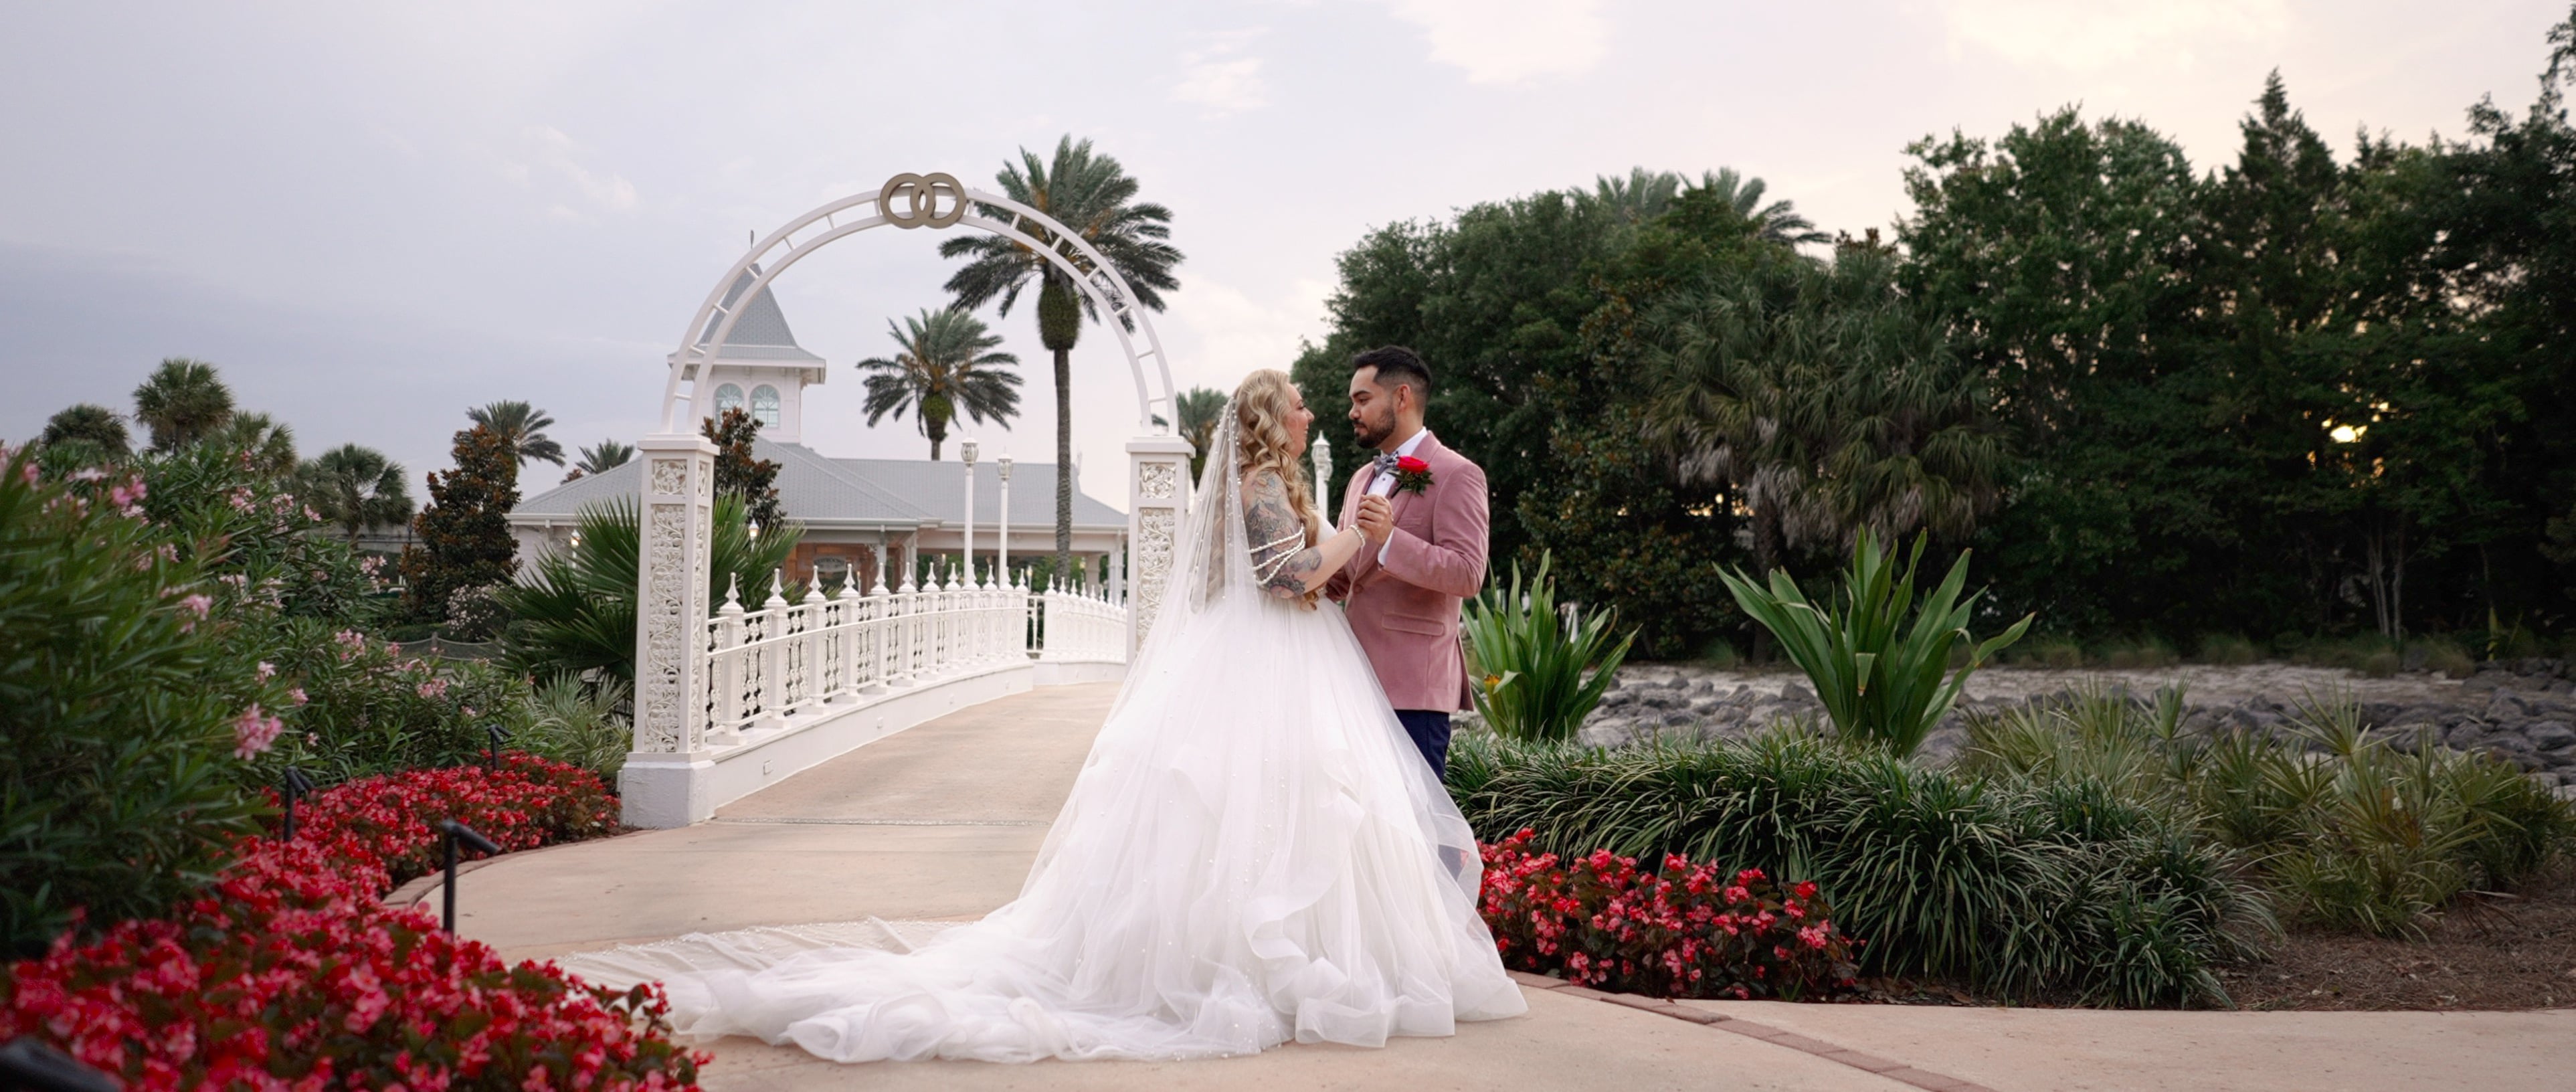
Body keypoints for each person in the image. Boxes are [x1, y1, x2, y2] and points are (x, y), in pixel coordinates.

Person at [634, 368, 1525, 1063]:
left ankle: (1307, 954)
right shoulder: (1259, 481)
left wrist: (1354, 541)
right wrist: (1352, 540)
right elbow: (1284, 576)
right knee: (1249, 807)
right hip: (1273, 654)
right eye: (1298, 405)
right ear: (1265, 416)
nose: (1313, 414)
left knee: (1300, 810)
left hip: (1305, 658)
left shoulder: (1289, 478)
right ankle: (1239, 964)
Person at [1326, 345, 1488, 779]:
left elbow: (1469, 573)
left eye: (1362, 400)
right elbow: (1349, 578)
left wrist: (1391, 540)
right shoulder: (1362, 477)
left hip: (1414, 690)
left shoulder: (1457, 473)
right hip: (1353, 682)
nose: (1352, 412)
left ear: (1401, 397)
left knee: (1416, 833)